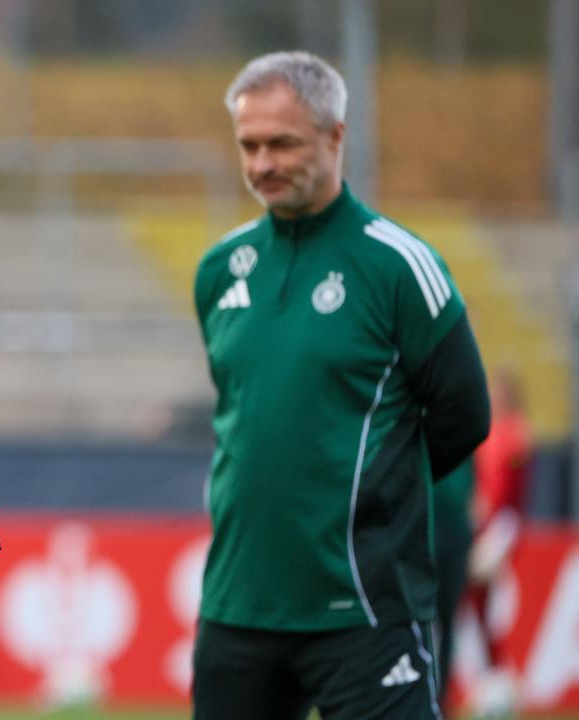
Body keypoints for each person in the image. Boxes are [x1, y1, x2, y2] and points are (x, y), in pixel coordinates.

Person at [190, 51, 491, 720]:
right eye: (249, 145)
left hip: (363, 607)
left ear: (335, 135)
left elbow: (464, 415)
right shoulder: (219, 270)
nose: (262, 163)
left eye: (282, 143)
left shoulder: (400, 267)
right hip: (238, 607)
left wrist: (367, 494)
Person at [466, 370, 533, 718]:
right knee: (479, 605)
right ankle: (493, 684)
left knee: (483, 597)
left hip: (502, 524)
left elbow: (509, 479)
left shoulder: (515, 432)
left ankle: (500, 685)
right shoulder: (489, 433)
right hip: (486, 524)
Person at [432, 458, 475, 714]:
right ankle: (421, 696)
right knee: (421, 623)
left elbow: (472, 493)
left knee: (448, 623)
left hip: (455, 539)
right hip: (424, 538)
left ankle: (442, 699)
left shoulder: (465, 446)